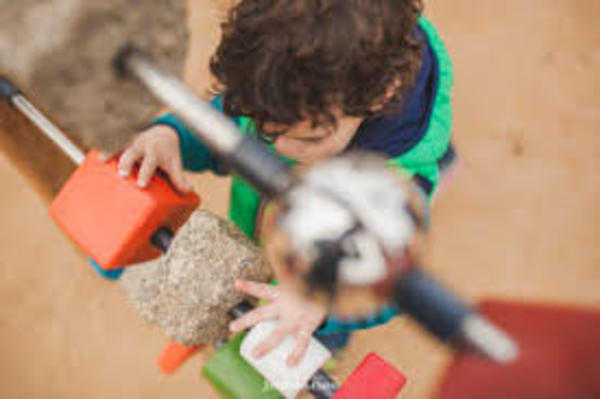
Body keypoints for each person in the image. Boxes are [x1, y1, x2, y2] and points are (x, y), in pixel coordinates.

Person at [110, 0, 455, 366]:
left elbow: (396, 287)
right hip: (264, 231)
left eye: (309, 140)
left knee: (308, 318)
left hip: (325, 277)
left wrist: (320, 306)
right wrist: (175, 135)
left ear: (382, 95)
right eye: (262, 125)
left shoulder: (391, 188)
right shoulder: (279, 82)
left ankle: (326, 336)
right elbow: (226, 124)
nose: (280, 150)